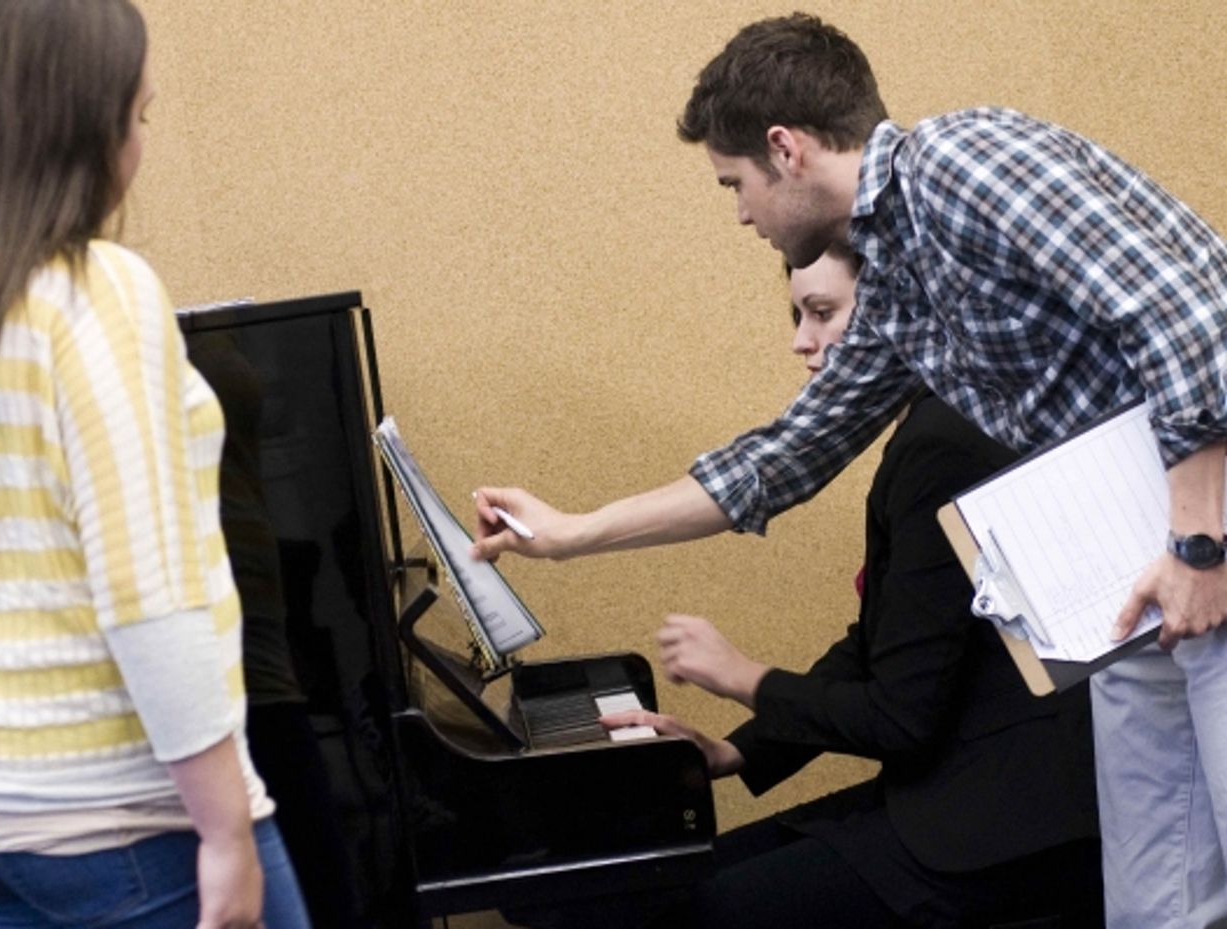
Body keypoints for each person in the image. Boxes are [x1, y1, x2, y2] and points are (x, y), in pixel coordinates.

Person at [471, 13, 1227, 928]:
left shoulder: (960, 159)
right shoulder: (900, 274)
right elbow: (783, 458)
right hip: (1139, 577)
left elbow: (1188, 312)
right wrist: (571, 532)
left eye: (735, 183)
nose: (741, 213)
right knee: (1160, 895)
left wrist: (1198, 542)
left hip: (1200, 547)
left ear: (785, 149)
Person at [0, 1, 309, 926]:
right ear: (82, 133)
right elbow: (147, 591)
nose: (140, 146)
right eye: (138, 116)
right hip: (133, 822)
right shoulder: (99, 294)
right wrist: (226, 832)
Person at [600, 247, 1101, 928]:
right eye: (798, 314)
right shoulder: (932, 425)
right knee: (688, 878)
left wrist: (745, 676)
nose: (801, 341)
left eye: (823, 312)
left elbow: (899, 718)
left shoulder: (941, 441)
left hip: (1003, 829)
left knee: (706, 906)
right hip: (954, 797)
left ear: (899, 308)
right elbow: (878, 645)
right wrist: (737, 749)